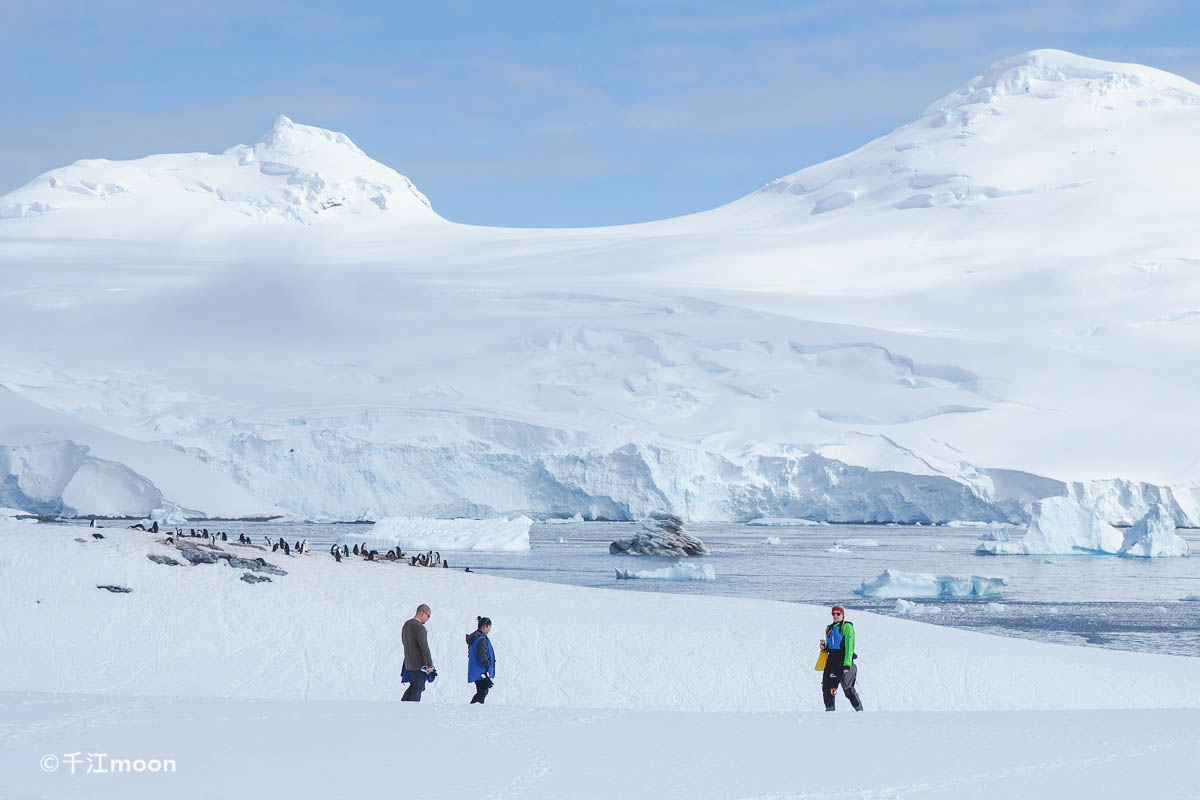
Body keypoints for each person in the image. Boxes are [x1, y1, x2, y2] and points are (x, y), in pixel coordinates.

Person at [821, 604, 863, 711]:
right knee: (827, 687)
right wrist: (824, 648)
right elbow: (830, 647)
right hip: (832, 661)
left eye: (838, 614)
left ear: (843, 615)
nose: (835, 616)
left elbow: (850, 647)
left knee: (848, 689)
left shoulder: (847, 627)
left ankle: (860, 712)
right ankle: (830, 711)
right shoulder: (829, 628)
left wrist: (847, 664)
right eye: (833, 614)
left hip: (843, 660)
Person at [401, 604, 436, 701]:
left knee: (413, 686)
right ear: (422, 613)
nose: (428, 619)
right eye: (428, 616)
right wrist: (430, 665)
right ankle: (413, 710)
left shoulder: (406, 625)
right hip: (419, 665)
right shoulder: (419, 627)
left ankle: (402, 707)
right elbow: (424, 647)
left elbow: (404, 642)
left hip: (408, 664)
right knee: (418, 688)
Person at [466, 616, 495, 704]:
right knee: (482, 691)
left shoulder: (475, 638)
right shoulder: (481, 639)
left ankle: (475, 708)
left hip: (476, 669)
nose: (489, 629)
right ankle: (474, 709)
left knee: (482, 690)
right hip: (481, 670)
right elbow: (482, 654)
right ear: (485, 626)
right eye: (489, 627)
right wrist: (487, 664)